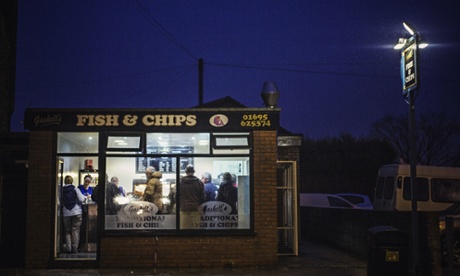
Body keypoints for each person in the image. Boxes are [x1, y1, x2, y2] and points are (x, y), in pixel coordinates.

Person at [62, 175, 85, 253]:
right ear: (72, 181)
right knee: (75, 230)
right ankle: (74, 247)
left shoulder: (61, 189)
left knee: (67, 231)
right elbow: (81, 199)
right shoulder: (75, 189)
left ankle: (68, 248)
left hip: (66, 212)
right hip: (76, 211)